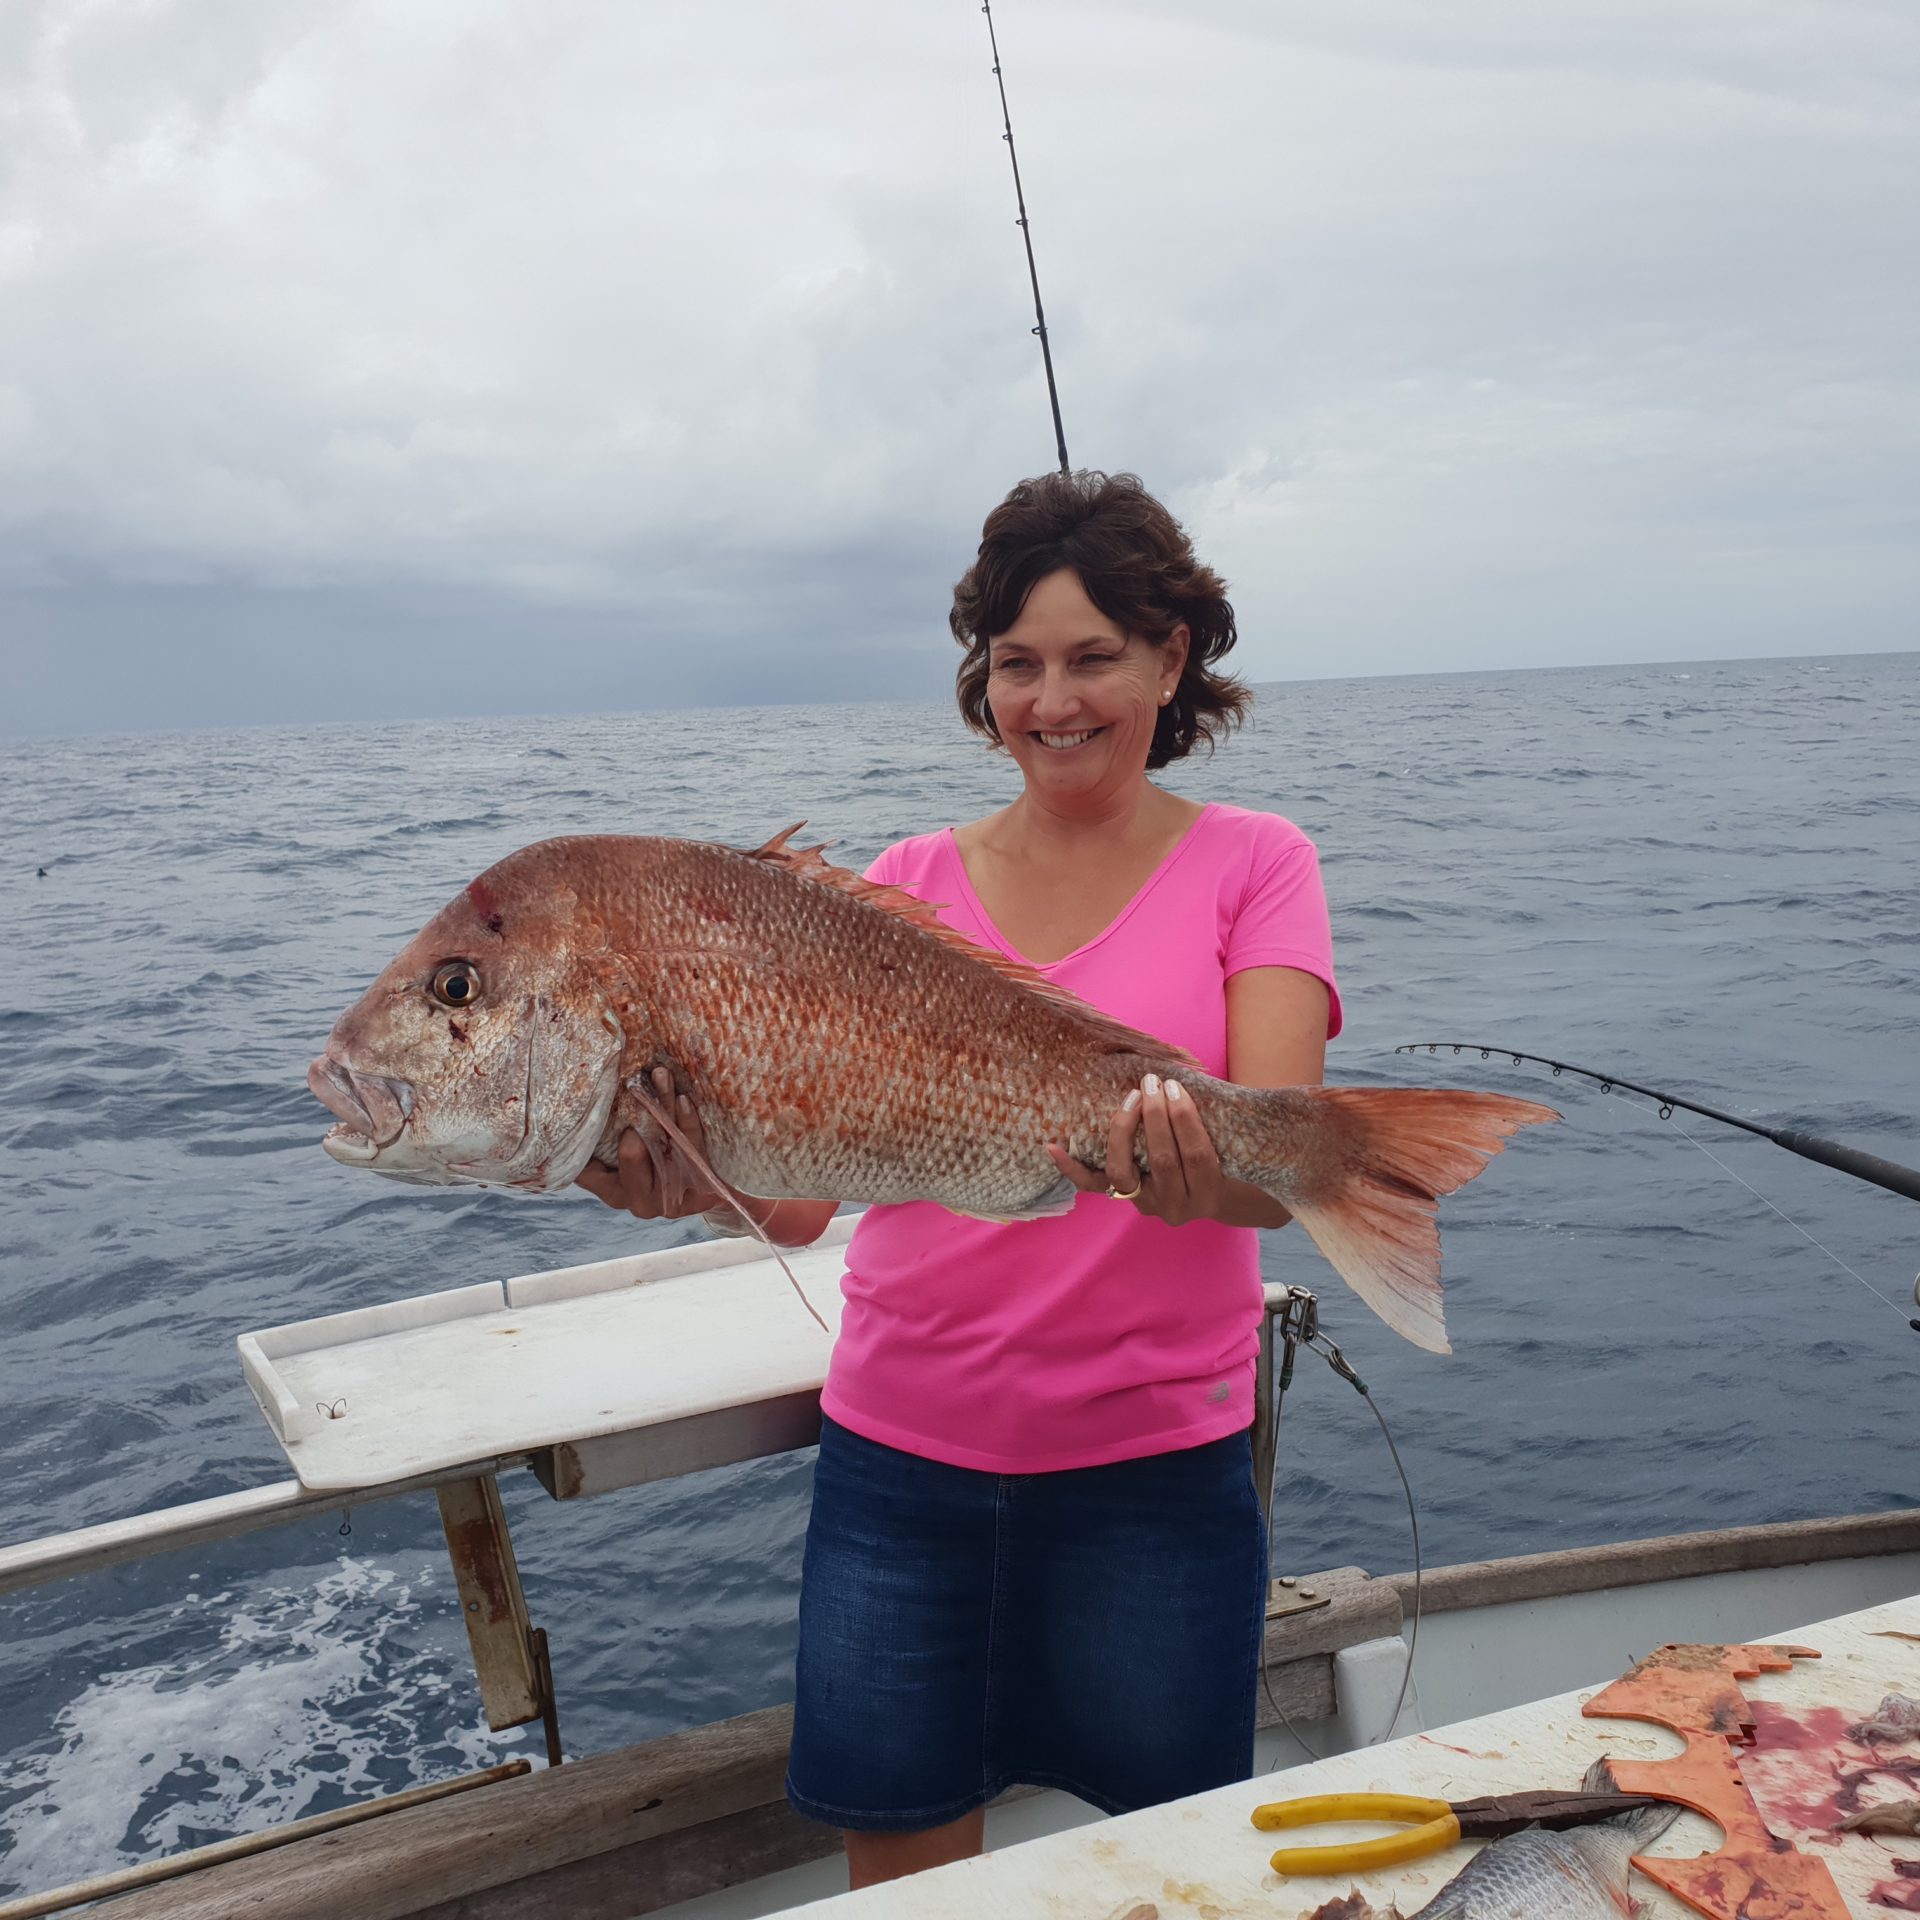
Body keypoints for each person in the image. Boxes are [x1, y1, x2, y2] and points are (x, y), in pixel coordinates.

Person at [578, 469, 1340, 1889]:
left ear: (1173, 660)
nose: (1056, 699)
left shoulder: (1259, 862)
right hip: (904, 1468)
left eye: (1096, 657)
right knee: (910, 1871)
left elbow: (1277, 1168)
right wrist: (679, 1172)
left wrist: (1188, 1172)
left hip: (1156, 1473)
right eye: (1018, 664)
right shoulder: (898, 885)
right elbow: (798, 1204)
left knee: (1169, 1868)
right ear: (982, 680)